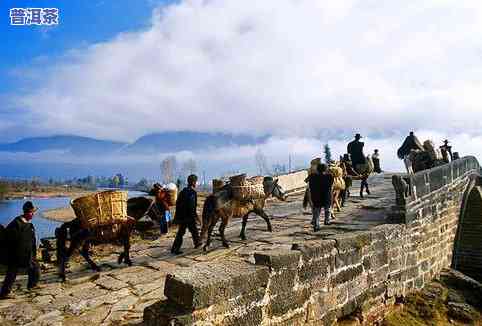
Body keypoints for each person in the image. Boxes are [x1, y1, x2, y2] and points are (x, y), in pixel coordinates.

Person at [0, 201, 40, 299]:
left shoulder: (28, 224)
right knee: (12, 273)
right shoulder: (16, 223)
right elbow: (8, 239)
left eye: (33, 212)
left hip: (28, 253)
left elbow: (31, 238)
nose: (33, 214)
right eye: (31, 212)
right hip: (16, 254)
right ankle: (5, 293)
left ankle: (32, 285)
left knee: (35, 268)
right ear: (26, 212)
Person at [171, 175, 201, 255]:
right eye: (196, 182)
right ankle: (176, 249)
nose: (196, 183)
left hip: (182, 216)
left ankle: (175, 248)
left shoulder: (182, 191)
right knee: (191, 231)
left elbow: (177, 204)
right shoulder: (192, 193)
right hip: (188, 217)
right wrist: (196, 217)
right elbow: (192, 207)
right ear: (193, 182)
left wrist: (177, 217)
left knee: (186, 232)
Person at [308, 164, 334, 230]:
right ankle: (327, 220)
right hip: (326, 195)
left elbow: (310, 185)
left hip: (316, 196)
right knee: (327, 209)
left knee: (317, 211)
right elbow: (331, 184)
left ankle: (316, 224)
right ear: (325, 169)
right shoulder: (329, 176)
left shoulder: (312, 176)